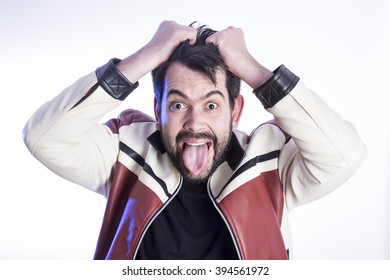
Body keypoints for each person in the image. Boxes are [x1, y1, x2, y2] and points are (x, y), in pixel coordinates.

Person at [23, 20, 366, 260]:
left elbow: (345, 156)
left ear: (236, 111)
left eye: (212, 104)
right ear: (157, 109)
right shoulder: (124, 151)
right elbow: (44, 137)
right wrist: (146, 55)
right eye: (178, 104)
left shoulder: (271, 159)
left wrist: (253, 70)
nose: (195, 122)